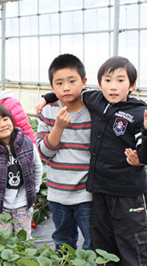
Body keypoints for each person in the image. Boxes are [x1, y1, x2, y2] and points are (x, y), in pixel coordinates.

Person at [40, 55, 147, 265]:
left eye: (120, 80)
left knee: (122, 241)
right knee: (87, 241)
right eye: (107, 80)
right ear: (100, 84)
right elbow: (70, 88)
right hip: (82, 191)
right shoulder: (85, 102)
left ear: (132, 85)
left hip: (110, 192)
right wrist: (48, 99)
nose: (113, 87)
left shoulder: (124, 110)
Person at [37, 54, 93, 251]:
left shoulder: (93, 109)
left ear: (84, 82)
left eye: (72, 81)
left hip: (88, 194)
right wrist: (58, 127)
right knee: (63, 241)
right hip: (57, 194)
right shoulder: (48, 112)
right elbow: (44, 152)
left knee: (92, 243)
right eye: (59, 83)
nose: (66, 88)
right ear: (52, 87)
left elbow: (109, 92)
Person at [0, 104, 42, 239]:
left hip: (23, 204)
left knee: (23, 239)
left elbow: (37, 166)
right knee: (2, 240)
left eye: (5, 119)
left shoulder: (27, 142)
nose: (3, 124)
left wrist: (34, 190)